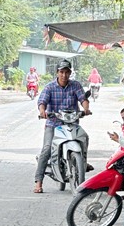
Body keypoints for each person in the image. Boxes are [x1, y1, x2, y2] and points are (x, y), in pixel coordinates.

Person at [33, 59, 92, 194]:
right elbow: (42, 101)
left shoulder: (75, 85)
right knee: (47, 149)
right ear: (57, 72)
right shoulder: (49, 87)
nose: (64, 75)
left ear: (70, 73)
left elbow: (83, 99)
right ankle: (38, 181)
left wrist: (86, 109)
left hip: (72, 124)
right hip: (53, 124)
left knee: (85, 138)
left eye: (67, 72)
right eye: (61, 72)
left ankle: (82, 162)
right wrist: (42, 111)